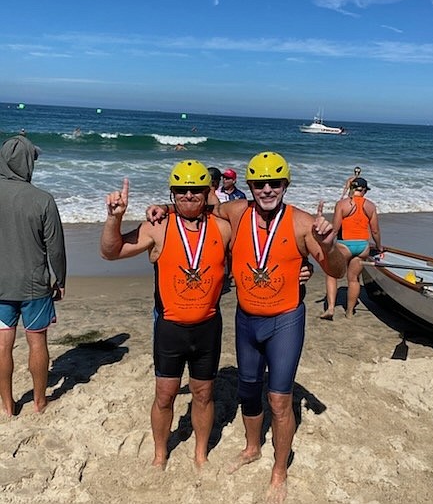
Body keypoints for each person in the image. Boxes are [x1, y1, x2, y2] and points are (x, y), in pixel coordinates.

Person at [146, 151, 345, 502]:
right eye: (260, 183)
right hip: (246, 320)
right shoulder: (235, 213)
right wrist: (164, 207)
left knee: (280, 402)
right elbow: (194, 204)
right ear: (250, 187)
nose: (267, 189)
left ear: (286, 185)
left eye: (275, 183)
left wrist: (327, 247)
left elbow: (338, 270)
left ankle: (279, 471)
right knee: (248, 391)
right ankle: (252, 447)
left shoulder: (301, 223)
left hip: (285, 320)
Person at [100, 160, 231, 469]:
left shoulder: (223, 228)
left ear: (206, 192)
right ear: (172, 193)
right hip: (170, 327)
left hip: (208, 326)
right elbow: (111, 251)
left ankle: (200, 452)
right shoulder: (157, 227)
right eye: (181, 190)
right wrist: (113, 219)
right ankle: (160, 454)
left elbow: (255, 250)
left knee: (203, 393)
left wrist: (301, 269)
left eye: (195, 190)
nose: (188, 195)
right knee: (165, 395)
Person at [0, 135, 66, 416]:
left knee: (3, 344)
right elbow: (56, 249)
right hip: (35, 285)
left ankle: (7, 403)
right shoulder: (43, 200)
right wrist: (60, 280)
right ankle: (39, 401)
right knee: (36, 341)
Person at [322, 176, 382, 320]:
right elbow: (375, 231)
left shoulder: (342, 204)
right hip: (362, 246)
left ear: (351, 188)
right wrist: (379, 246)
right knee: (354, 279)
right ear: (365, 191)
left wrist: (327, 244)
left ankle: (330, 308)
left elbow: (335, 229)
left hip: (345, 245)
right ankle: (349, 312)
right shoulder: (371, 206)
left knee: (331, 273)